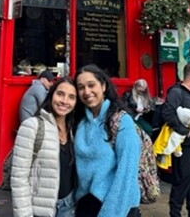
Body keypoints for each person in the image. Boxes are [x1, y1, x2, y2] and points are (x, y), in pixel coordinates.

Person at [74, 64, 141, 217]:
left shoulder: (121, 121)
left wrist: (111, 213)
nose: (87, 92)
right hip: (85, 205)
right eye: (81, 87)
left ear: (103, 86)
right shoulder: (80, 123)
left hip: (116, 206)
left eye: (91, 85)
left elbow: (127, 175)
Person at [12, 76, 77, 217]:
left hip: (69, 207)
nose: (65, 101)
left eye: (71, 97)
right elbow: (19, 177)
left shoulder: (74, 130)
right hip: (40, 209)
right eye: (60, 94)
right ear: (51, 94)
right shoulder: (32, 126)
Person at [161, 62, 190, 217]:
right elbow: (167, 113)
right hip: (184, 147)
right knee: (182, 182)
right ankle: (175, 214)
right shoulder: (176, 92)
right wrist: (183, 131)